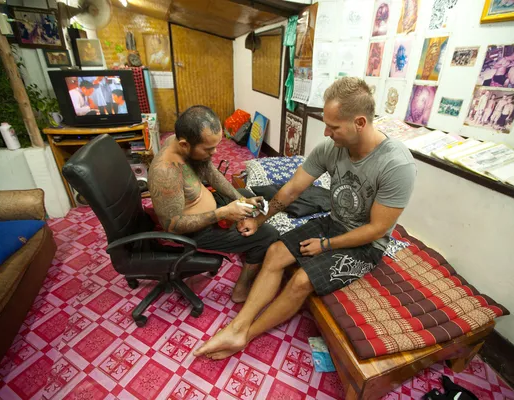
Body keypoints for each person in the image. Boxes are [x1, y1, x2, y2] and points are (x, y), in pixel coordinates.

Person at [194, 77, 417, 360]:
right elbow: (291, 190)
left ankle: (244, 336)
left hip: (366, 244)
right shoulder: (332, 148)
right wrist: (260, 220)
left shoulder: (396, 165)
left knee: (301, 280)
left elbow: (377, 229)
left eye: (334, 127)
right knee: (274, 252)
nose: (326, 132)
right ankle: (238, 325)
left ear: (360, 123)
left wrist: (325, 245)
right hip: (333, 222)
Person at [147, 106, 279, 302]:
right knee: (268, 234)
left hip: (209, 207)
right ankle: (241, 289)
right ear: (184, 144)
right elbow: (172, 226)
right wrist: (222, 214)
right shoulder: (165, 172)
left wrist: (238, 199)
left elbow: (210, 172)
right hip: (195, 231)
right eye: (209, 149)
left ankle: (240, 222)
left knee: (243, 194)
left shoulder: (183, 146)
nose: (215, 152)